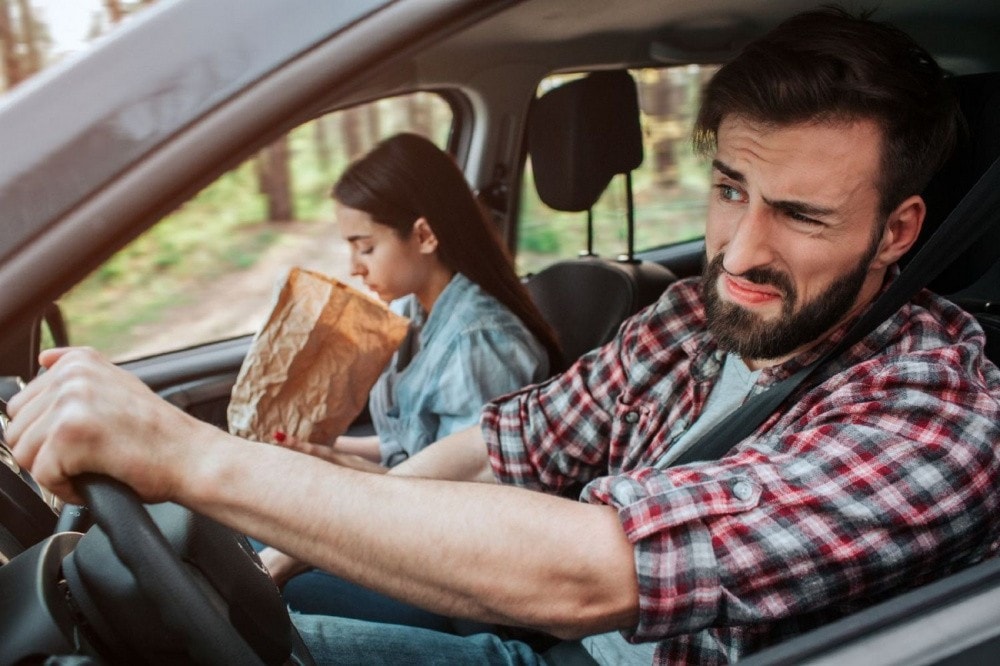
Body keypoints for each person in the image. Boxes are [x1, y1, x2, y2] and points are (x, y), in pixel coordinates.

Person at [8, 7, 1000, 665]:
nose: (738, 251)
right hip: (542, 644)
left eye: (800, 215)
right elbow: (502, 442)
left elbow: (596, 569)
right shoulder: (692, 319)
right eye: (730, 190)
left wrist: (191, 457)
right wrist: (287, 550)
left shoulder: (937, 416)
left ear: (897, 231)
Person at [260, 132, 562, 627]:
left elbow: (466, 505)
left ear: (423, 236)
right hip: (404, 526)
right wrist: (325, 452)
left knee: (267, 583)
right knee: (251, 525)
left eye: (366, 248)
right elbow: (415, 447)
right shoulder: (412, 311)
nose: (354, 268)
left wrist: (341, 480)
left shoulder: (479, 341)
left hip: (452, 570)